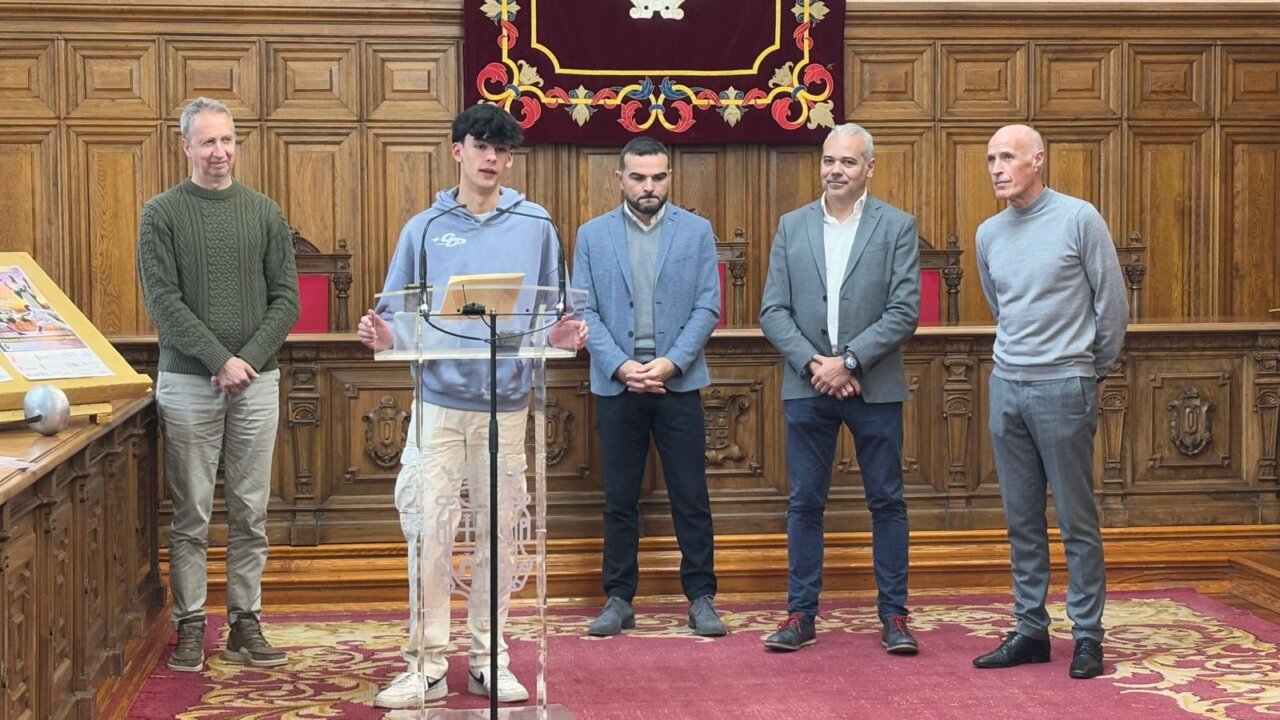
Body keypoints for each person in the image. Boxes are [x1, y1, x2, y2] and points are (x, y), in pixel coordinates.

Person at [357, 103, 588, 709]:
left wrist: (561, 334)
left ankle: (490, 658)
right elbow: (398, 313)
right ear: (457, 151)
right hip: (437, 404)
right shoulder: (424, 228)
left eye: (502, 150)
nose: (491, 158)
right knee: (428, 534)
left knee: (499, 536)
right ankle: (426, 665)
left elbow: (549, 310)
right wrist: (383, 334)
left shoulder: (536, 224)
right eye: (481, 146)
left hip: (506, 405)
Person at [136, 97, 299, 672]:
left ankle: (244, 623)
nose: (219, 151)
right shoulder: (160, 213)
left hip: (256, 381)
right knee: (191, 514)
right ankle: (189, 624)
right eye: (207, 141)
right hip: (187, 383)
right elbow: (163, 302)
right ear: (185, 147)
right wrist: (218, 359)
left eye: (227, 140)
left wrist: (245, 361)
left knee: (251, 512)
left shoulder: (264, 212)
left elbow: (287, 300)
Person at [971, 124, 1128, 680]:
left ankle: (1087, 636)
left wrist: (1093, 369)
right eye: (991, 159)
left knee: (1076, 520)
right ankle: (1030, 630)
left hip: (1065, 384)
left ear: (1037, 160)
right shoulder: (988, 233)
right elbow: (1001, 307)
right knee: (1021, 520)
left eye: (1007, 157)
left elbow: (1112, 305)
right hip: (1007, 386)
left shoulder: (1079, 218)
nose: (996, 168)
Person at [758, 123, 921, 654]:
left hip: (874, 387)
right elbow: (773, 310)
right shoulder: (792, 225)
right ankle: (800, 615)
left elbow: (904, 311)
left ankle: (894, 616)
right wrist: (816, 365)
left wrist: (849, 362)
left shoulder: (897, 226)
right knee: (805, 503)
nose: (836, 170)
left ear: (869, 168)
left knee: (887, 502)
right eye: (829, 160)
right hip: (807, 387)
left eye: (848, 162)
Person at [573, 137, 725, 638]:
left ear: (670, 178)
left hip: (677, 384)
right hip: (618, 386)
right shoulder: (592, 235)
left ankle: (701, 598)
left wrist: (671, 363)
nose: (648, 186)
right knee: (619, 498)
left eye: (658, 177)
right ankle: (618, 598)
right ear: (620, 179)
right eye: (638, 177)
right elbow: (583, 310)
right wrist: (621, 366)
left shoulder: (696, 232)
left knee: (690, 496)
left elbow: (708, 306)